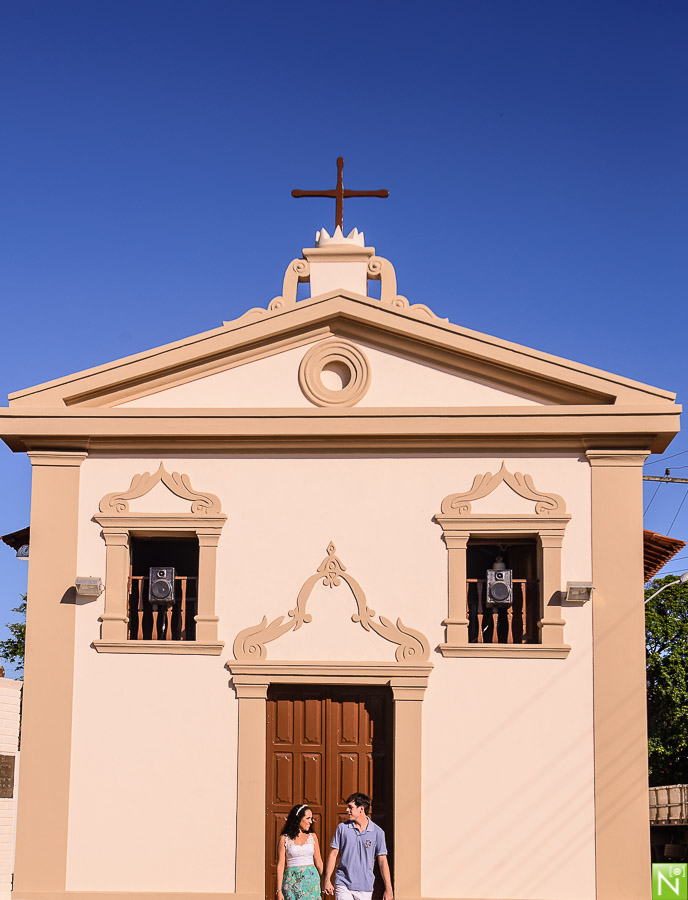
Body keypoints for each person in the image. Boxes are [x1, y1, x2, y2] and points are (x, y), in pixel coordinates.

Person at [323, 792, 393, 900]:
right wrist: (327, 880)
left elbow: (382, 861)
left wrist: (388, 889)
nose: (347, 810)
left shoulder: (378, 832)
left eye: (350, 807)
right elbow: (333, 854)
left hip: (365, 887)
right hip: (343, 883)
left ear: (361, 809)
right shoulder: (342, 828)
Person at [276, 803, 323, 900]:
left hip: (311, 881)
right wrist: (279, 890)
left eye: (311, 819)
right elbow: (280, 865)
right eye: (308, 818)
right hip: (291, 882)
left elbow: (319, 862)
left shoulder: (312, 837)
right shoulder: (284, 838)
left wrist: (326, 881)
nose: (311, 821)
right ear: (298, 818)